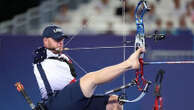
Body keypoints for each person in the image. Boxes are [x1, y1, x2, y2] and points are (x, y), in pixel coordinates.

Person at [33, 25, 145, 110]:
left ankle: (130, 64)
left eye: (62, 40)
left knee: (114, 103)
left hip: (72, 101)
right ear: (45, 40)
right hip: (55, 103)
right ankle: (129, 63)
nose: (60, 43)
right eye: (57, 40)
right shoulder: (41, 56)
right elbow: (39, 53)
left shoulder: (63, 58)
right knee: (90, 78)